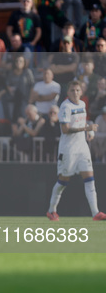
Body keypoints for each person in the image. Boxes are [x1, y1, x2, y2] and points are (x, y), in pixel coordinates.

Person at [46, 80, 106, 221]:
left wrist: (87, 129)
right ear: (68, 93)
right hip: (68, 150)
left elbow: (80, 122)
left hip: (82, 148)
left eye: (78, 90)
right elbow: (65, 129)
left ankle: (95, 213)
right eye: (72, 90)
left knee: (90, 179)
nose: (75, 93)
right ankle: (51, 210)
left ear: (81, 91)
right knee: (63, 181)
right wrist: (86, 129)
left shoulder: (83, 104)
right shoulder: (65, 107)